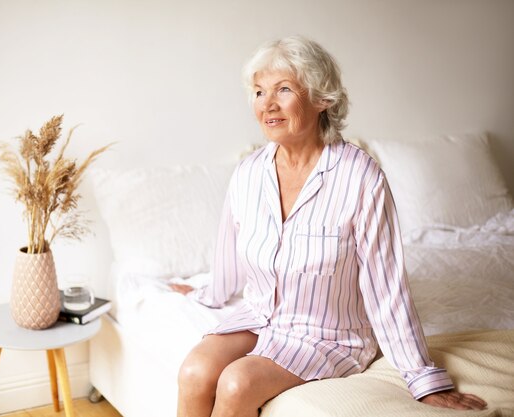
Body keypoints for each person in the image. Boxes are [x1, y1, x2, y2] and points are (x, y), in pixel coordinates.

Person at [169, 35, 488, 417]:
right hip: (261, 315)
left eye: (283, 89)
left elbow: (386, 287)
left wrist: (422, 379)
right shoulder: (248, 173)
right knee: (194, 371)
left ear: (323, 99)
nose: (266, 104)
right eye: (258, 92)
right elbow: (229, 255)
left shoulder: (361, 177)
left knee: (237, 383)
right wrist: (205, 292)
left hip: (329, 334)